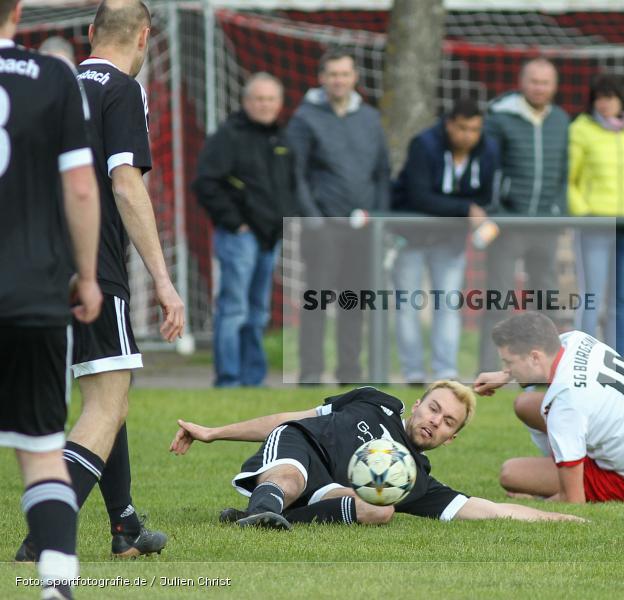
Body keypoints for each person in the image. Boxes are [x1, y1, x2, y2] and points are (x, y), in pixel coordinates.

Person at [17, 0, 186, 563]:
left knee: (108, 394)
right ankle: (41, 539)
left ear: (90, 32)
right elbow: (124, 184)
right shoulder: (122, 88)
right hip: (94, 266)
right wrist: (163, 280)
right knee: (105, 406)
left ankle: (125, 525)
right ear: (144, 38)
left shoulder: (56, 83)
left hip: (32, 264)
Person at [169, 381, 585, 526]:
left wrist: (562, 517)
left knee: (380, 511)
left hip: (331, 490)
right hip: (299, 447)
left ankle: (256, 517)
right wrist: (213, 433)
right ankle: (267, 505)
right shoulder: (375, 403)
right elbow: (288, 416)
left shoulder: (416, 480)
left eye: (448, 423)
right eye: (434, 409)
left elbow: (489, 509)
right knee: (289, 479)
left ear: (450, 439)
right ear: (417, 404)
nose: (435, 422)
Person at [1, 2, 101, 596]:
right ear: (18, 9)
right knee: (41, 452)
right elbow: (81, 186)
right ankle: (57, 586)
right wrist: (85, 275)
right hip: (35, 293)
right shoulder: (56, 76)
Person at [473, 313, 624, 505]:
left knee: (511, 474)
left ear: (534, 357)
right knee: (524, 404)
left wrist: (539, 500)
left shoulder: (566, 405)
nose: (507, 367)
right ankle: (563, 463)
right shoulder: (576, 339)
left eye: (509, 362)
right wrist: (505, 375)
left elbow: (574, 503)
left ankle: (564, 468)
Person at [286, 48, 391, 384]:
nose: (339, 80)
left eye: (345, 74)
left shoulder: (370, 118)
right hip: (323, 229)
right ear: (322, 78)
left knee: (354, 303)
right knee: (316, 302)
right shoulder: (305, 118)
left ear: (355, 77)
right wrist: (313, 219)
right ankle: (311, 374)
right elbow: (295, 174)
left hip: (363, 230)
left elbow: (382, 173)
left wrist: (379, 217)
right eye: (333, 74)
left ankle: (350, 373)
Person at [193, 73, 296, 388]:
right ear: (246, 101)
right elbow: (205, 183)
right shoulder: (228, 136)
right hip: (239, 237)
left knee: (258, 313)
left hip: (269, 238)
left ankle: (254, 379)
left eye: (271, 99)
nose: (265, 105)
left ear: (279, 104)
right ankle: (228, 379)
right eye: (259, 99)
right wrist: (235, 222)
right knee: (234, 309)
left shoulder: (281, 139)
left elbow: (287, 188)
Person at [391, 98, 500, 383]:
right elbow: (419, 196)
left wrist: (466, 209)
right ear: (449, 123)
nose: (468, 136)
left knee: (448, 306)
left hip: (450, 240)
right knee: (407, 306)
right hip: (410, 237)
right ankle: (413, 372)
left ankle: (445, 372)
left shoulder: (487, 149)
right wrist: (464, 208)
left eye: (474, 129)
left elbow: (486, 196)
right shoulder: (423, 145)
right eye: (462, 128)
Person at [478, 57, 570, 373]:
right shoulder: (500, 117)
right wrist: (498, 211)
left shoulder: (560, 120)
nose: (539, 88)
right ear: (522, 82)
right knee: (499, 299)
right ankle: (491, 368)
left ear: (554, 86)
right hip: (509, 224)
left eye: (545, 82)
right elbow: (488, 168)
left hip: (546, 224)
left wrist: (559, 210)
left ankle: (547, 370)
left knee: (547, 301)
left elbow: (563, 171)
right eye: (534, 81)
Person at [569, 74, 624, 358]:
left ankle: (618, 363)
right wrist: (584, 213)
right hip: (596, 224)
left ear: (621, 100)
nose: (605, 104)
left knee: (621, 300)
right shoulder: (581, 129)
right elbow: (570, 178)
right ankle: (583, 361)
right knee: (591, 296)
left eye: (610, 97)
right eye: (600, 98)